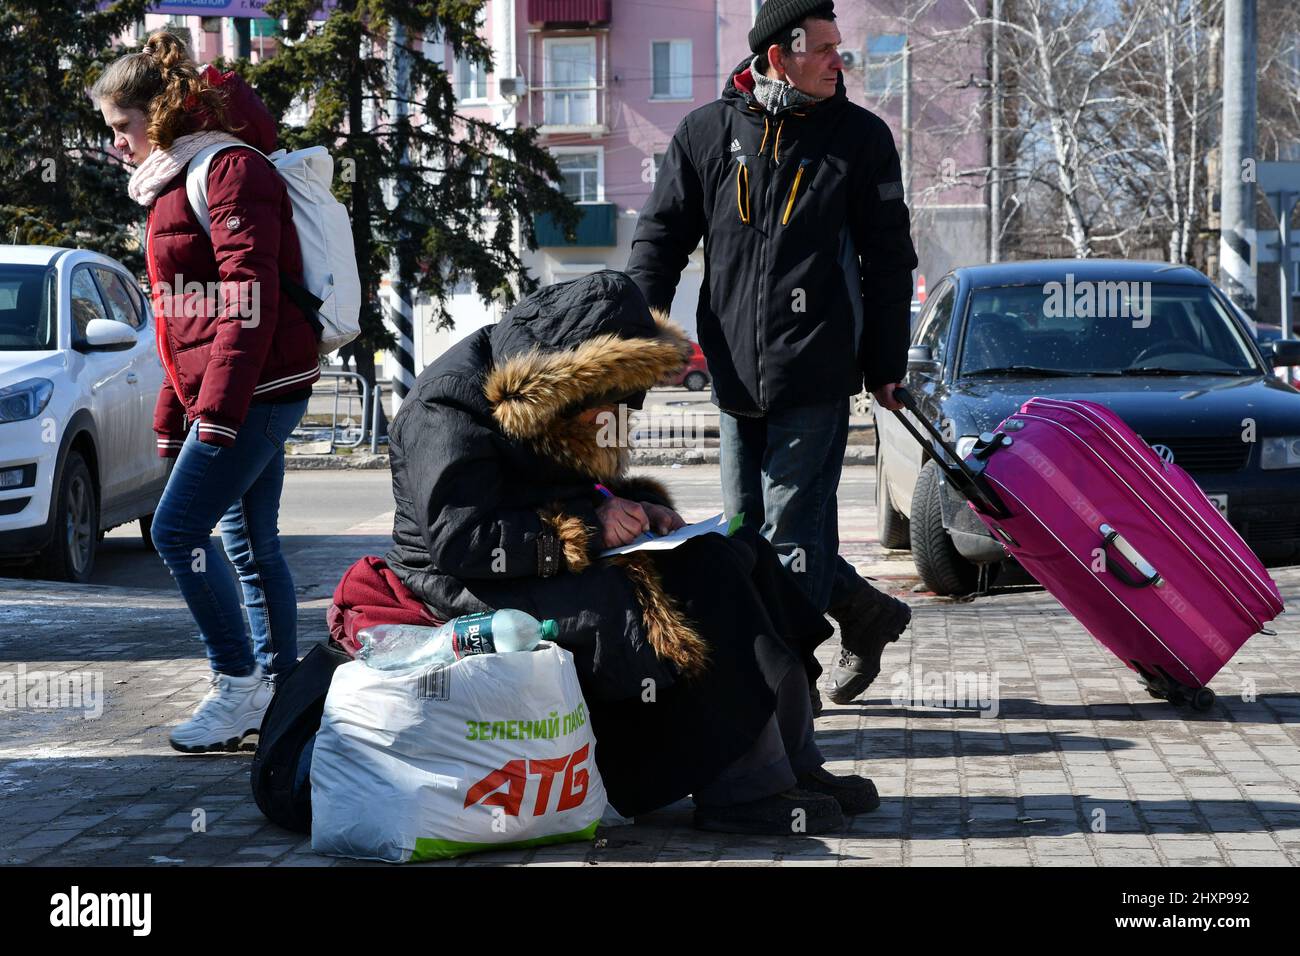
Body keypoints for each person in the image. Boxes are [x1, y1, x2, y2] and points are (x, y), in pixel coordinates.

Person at [383, 270, 878, 834]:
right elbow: (462, 539)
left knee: (733, 558)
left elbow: (575, 487)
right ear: (573, 372)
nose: (616, 416)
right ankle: (741, 786)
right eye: (611, 400)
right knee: (644, 604)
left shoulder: (570, 394)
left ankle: (793, 762)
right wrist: (592, 529)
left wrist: (636, 510)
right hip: (467, 577)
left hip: (538, 552)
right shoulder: (446, 405)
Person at [626, 0, 920, 710]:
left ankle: (785, 690)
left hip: (815, 368)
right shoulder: (706, 133)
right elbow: (660, 240)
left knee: (787, 535)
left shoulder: (860, 138)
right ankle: (863, 611)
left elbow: (888, 258)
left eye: (838, 48)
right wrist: (633, 342)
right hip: (732, 374)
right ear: (778, 54)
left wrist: (885, 363)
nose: (837, 61)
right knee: (744, 534)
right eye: (823, 48)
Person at [93, 31, 321, 752]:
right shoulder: (177, 177)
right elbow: (179, 314)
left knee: (176, 529)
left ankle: (237, 683)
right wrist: (174, 410)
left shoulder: (226, 168)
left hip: (260, 386)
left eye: (122, 128)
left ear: (156, 114)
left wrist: (217, 413)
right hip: (239, 386)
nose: (117, 146)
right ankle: (282, 699)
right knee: (250, 543)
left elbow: (248, 294)